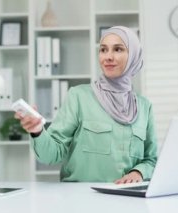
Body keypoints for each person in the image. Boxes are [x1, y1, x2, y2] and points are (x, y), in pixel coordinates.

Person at [15, 26, 157, 183]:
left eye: (118, 49)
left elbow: (151, 159)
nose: (108, 57)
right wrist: (37, 131)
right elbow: (51, 155)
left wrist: (138, 173)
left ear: (134, 56)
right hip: (81, 200)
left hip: (127, 200)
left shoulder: (145, 107)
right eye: (103, 50)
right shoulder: (78, 97)